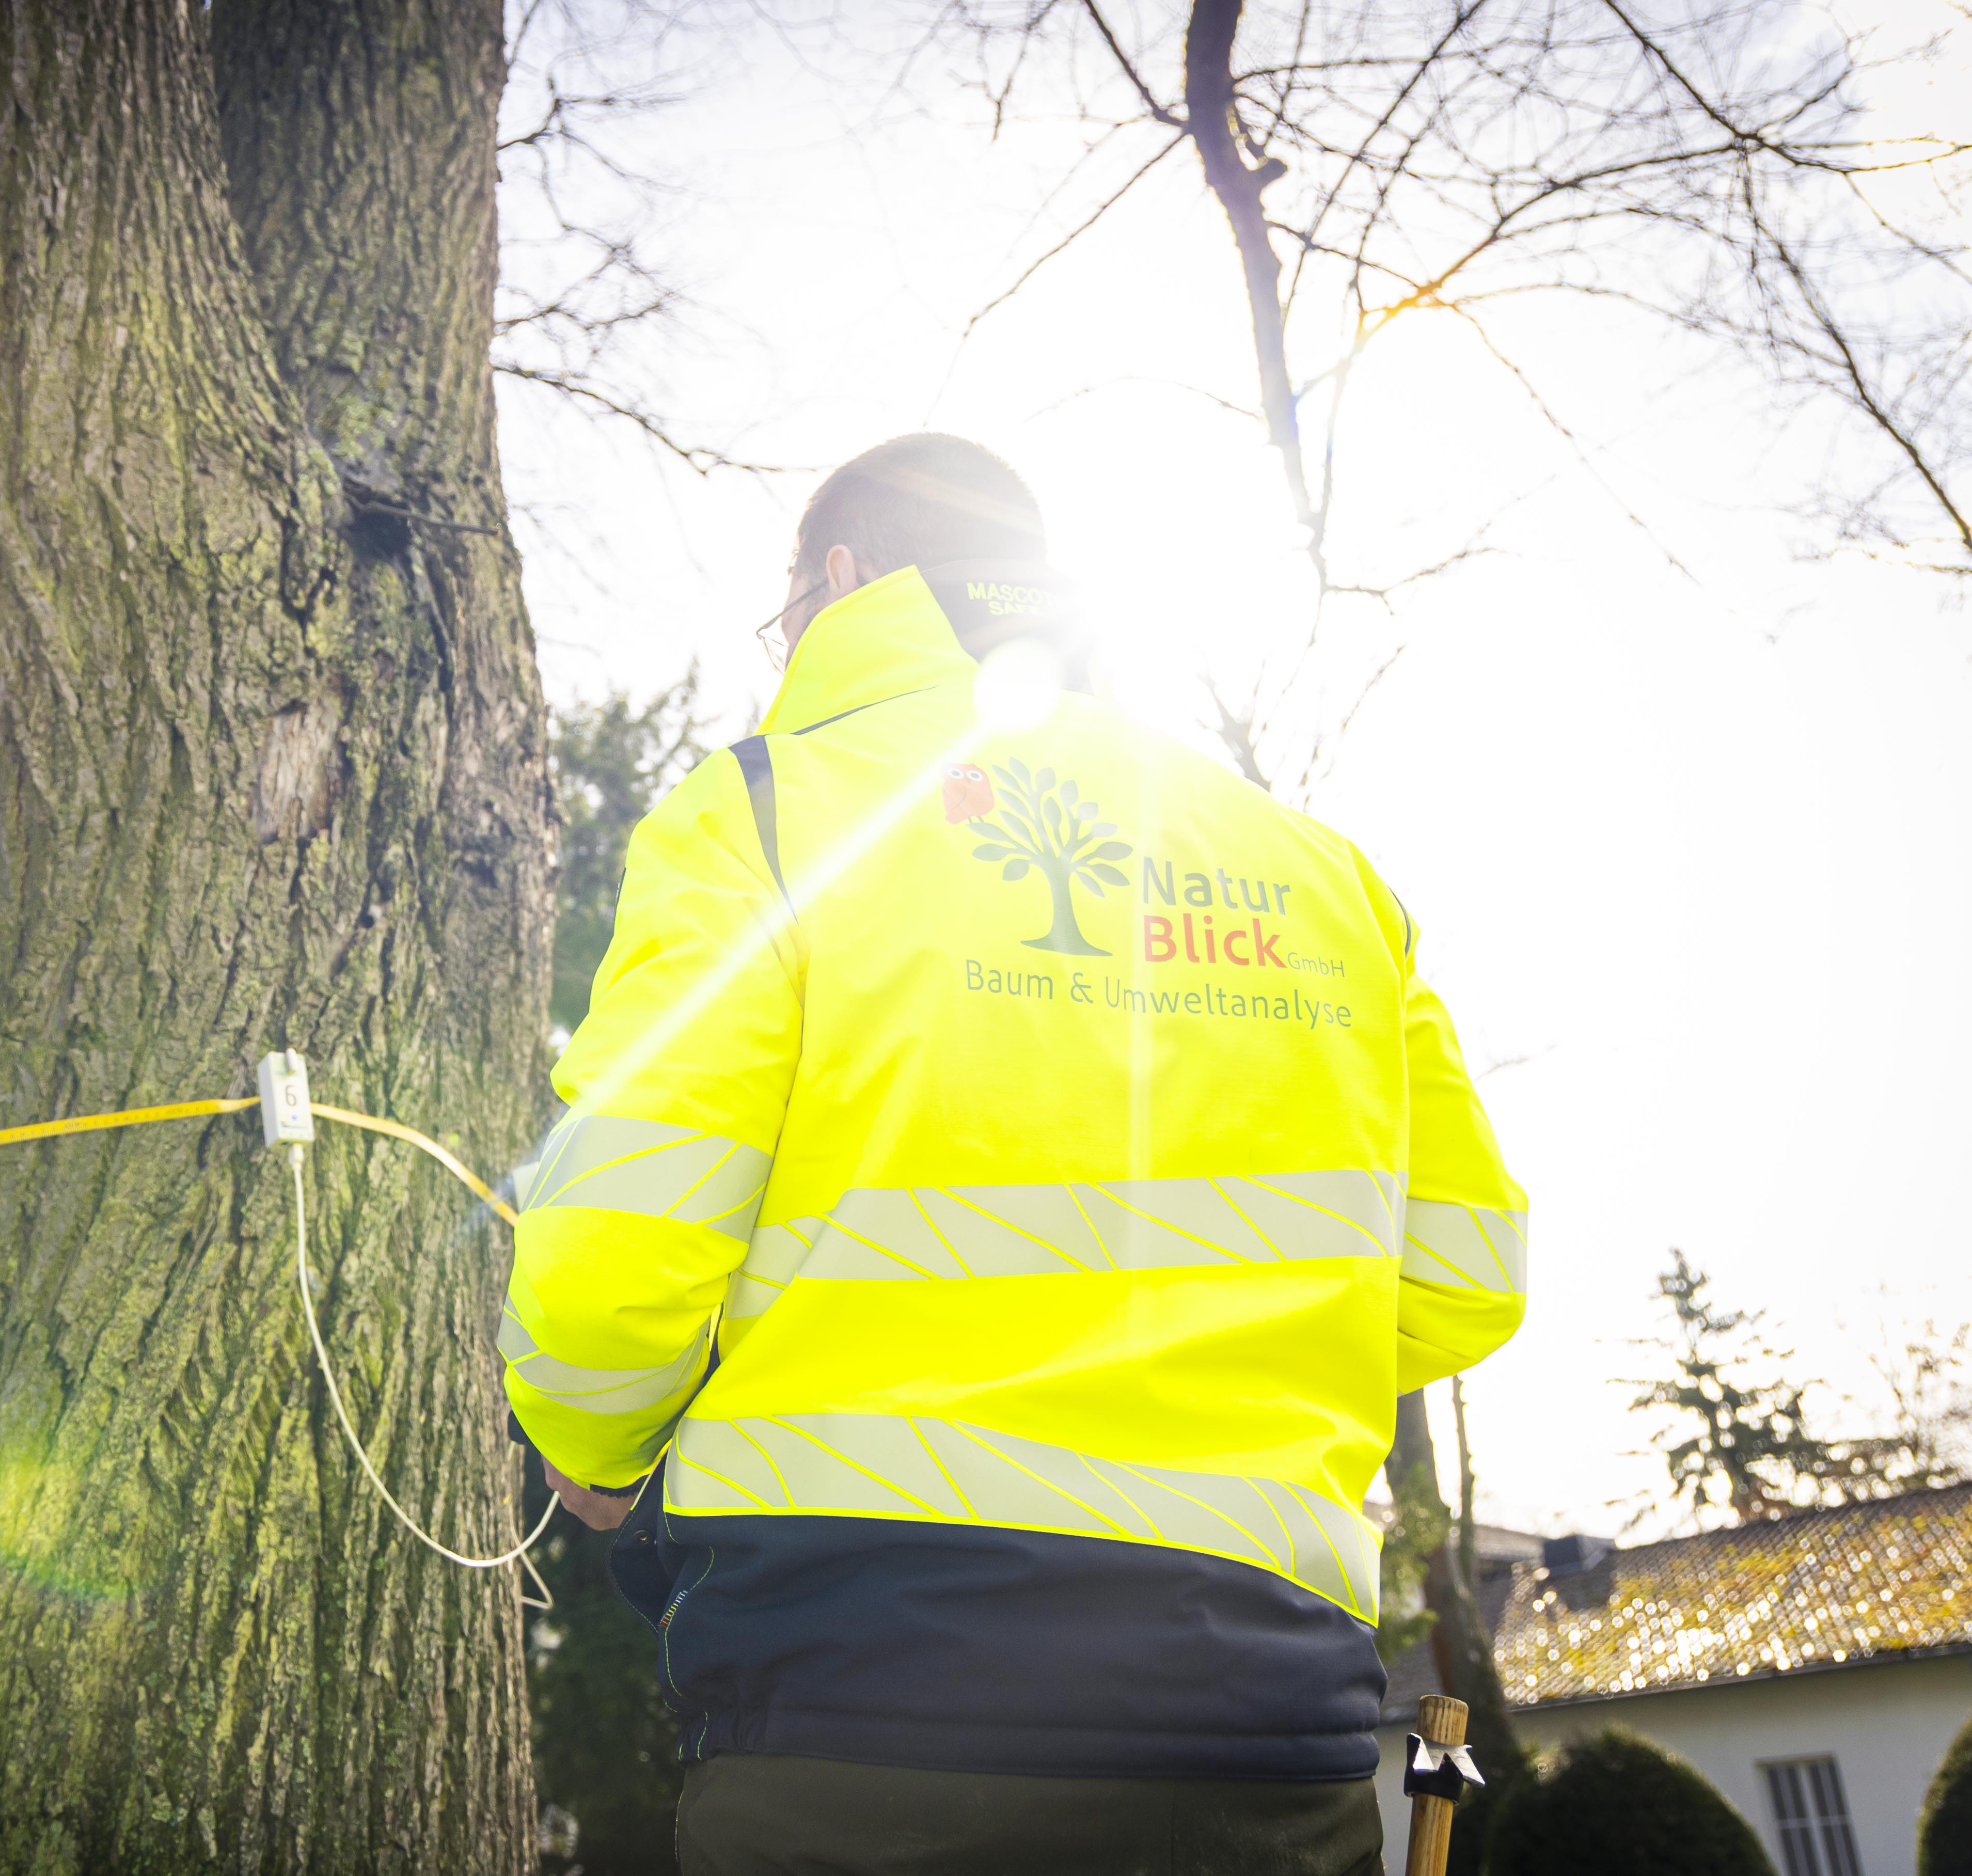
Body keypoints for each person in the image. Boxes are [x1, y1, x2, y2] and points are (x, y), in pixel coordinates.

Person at [502, 433, 1527, 1875]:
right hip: (1261, 1730)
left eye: (784, 606)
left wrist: (596, 1440)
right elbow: (1463, 1276)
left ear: (838, 580)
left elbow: (620, 1244)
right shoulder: (1318, 872)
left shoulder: (772, 807)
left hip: (865, 1713)